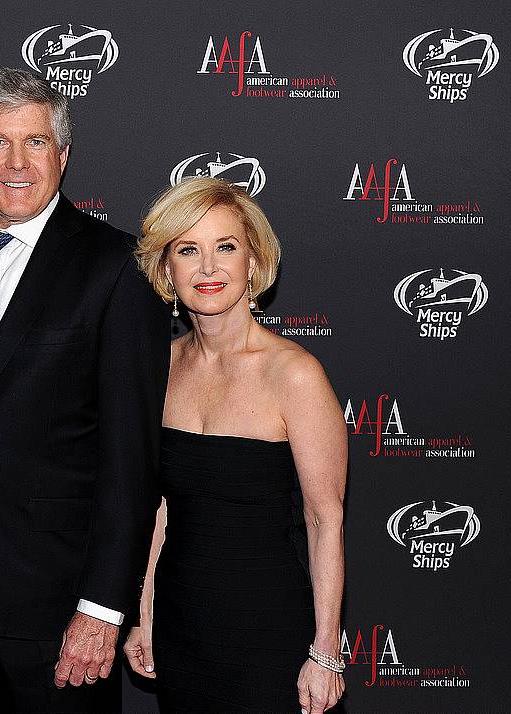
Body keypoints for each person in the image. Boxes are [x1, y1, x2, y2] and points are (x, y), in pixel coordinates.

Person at [0, 67, 171, 712]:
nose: (17, 162)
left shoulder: (117, 267)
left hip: (58, 611)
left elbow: (132, 461)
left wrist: (103, 607)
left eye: (35, 141)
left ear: (63, 153)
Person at [125, 177, 347, 713]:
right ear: (166, 269)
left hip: (272, 635)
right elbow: (157, 509)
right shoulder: (160, 369)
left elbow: (325, 519)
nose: (208, 268)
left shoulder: (295, 375)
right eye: (188, 250)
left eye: (226, 247)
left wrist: (325, 651)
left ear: (253, 263)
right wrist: (146, 614)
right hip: (183, 629)